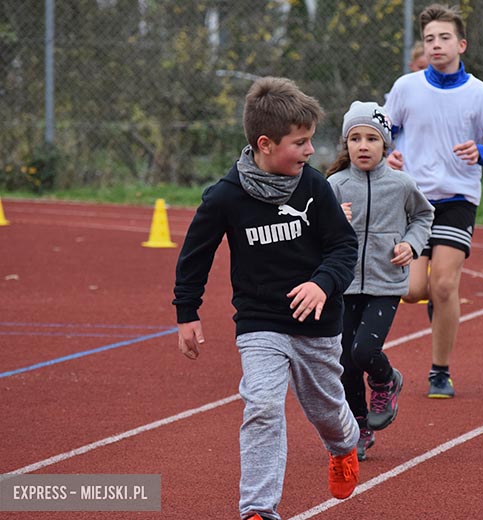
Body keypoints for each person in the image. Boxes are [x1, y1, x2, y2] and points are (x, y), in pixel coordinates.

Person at [172, 77, 360, 520]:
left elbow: (343, 246)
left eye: (311, 140)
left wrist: (322, 283)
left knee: (326, 410)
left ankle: (343, 445)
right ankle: (258, 509)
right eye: (301, 142)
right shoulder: (225, 197)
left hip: (317, 323)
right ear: (265, 143)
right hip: (260, 321)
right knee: (261, 404)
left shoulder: (314, 188)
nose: (312, 150)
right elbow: (194, 256)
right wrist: (187, 313)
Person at [385, 3, 483, 398]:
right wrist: (387, 154)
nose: (436, 45)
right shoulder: (406, 88)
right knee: (411, 290)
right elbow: (381, 134)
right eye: (429, 39)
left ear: (461, 44)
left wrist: (482, 152)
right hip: (413, 199)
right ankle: (435, 303)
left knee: (443, 285)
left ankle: (439, 370)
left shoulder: (480, 94)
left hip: (458, 198)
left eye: (444, 38)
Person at [326, 101, 434, 461]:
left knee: (363, 352)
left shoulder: (401, 184)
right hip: (344, 284)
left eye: (371, 138)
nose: (362, 145)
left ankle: (387, 380)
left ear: (385, 145)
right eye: (355, 138)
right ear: (346, 144)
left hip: (386, 283)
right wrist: (332, 221)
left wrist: (410, 244)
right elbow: (314, 235)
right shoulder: (335, 185)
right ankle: (359, 427)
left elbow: (423, 217)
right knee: (344, 359)